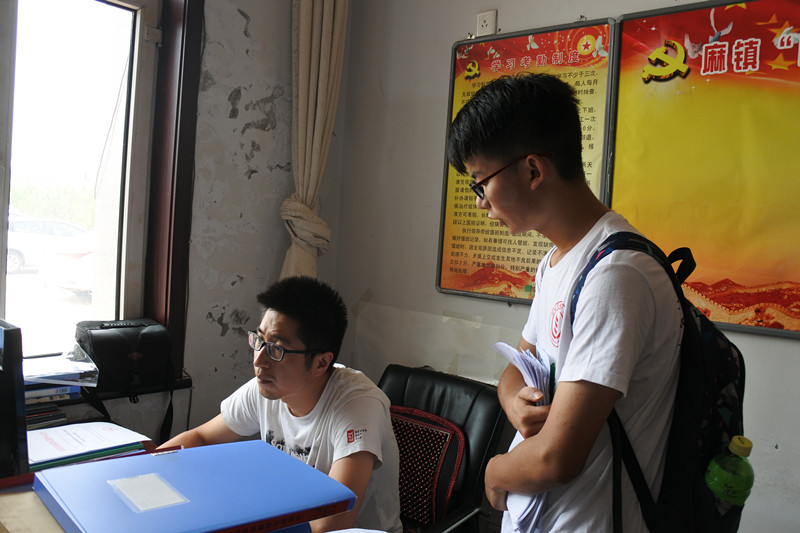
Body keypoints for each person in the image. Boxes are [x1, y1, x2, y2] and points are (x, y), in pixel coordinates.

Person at [446, 72, 683, 532]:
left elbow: (557, 459)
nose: (480, 203)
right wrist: (515, 403)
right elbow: (517, 367)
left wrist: (494, 472)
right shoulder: (557, 262)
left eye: (480, 183)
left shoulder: (616, 275)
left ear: (533, 170)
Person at [161, 276, 402, 533]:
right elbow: (201, 438)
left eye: (277, 349)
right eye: (259, 341)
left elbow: (332, 523)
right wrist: (144, 467)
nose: (259, 360)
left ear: (321, 362)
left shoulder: (357, 406)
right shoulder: (269, 387)